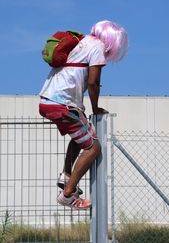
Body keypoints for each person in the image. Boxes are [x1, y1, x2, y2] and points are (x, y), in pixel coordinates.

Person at [39, 20, 128, 209]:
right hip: (62, 104)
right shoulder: (97, 47)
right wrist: (96, 108)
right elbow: (93, 83)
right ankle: (68, 194)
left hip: (48, 100)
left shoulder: (82, 42)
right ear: (113, 41)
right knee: (93, 149)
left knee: (83, 135)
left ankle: (66, 175)